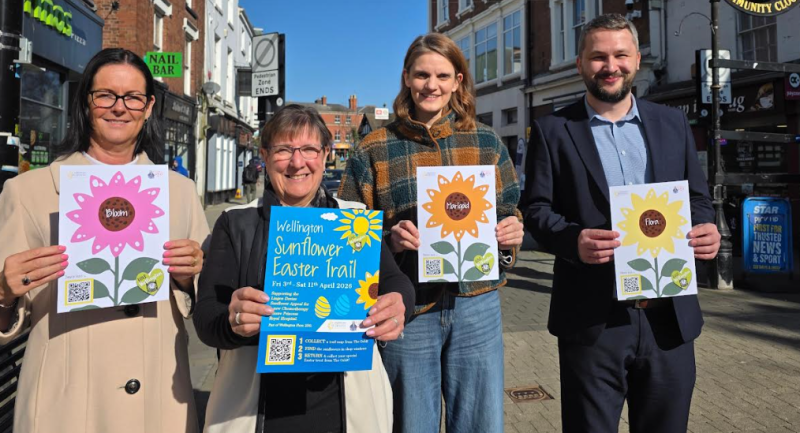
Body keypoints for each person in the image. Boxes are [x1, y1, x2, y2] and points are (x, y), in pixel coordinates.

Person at [520, 14, 721, 433]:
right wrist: (573, 240)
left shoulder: (672, 123)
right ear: (580, 63)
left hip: (669, 317)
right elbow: (535, 209)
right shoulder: (553, 129)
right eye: (598, 57)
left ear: (637, 60)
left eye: (620, 55)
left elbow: (697, 198)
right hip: (594, 320)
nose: (610, 66)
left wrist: (707, 228)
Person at [0, 48, 209, 432]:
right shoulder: (27, 192)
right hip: (66, 405)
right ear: (86, 101)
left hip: (158, 400)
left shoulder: (179, 192)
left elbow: (205, 300)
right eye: (106, 95)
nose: (119, 107)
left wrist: (188, 277)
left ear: (148, 107)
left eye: (132, 97)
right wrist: (4, 292)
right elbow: (9, 314)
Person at [338, 33, 524, 433]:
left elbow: (509, 211)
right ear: (407, 77)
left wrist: (511, 235)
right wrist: (389, 240)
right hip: (409, 308)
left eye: (442, 76)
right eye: (422, 75)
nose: (431, 85)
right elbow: (348, 233)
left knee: (480, 423)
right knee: (411, 423)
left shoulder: (487, 141)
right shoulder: (374, 148)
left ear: (458, 81)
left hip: (476, 304)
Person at [193, 104, 415, 433]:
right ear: (265, 156)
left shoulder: (355, 219)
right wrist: (232, 320)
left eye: (309, 149)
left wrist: (399, 303)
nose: (297, 162)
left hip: (347, 409)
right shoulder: (235, 223)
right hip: (256, 415)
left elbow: (396, 280)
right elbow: (206, 315)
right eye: (284, 149)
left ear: (325, 155)